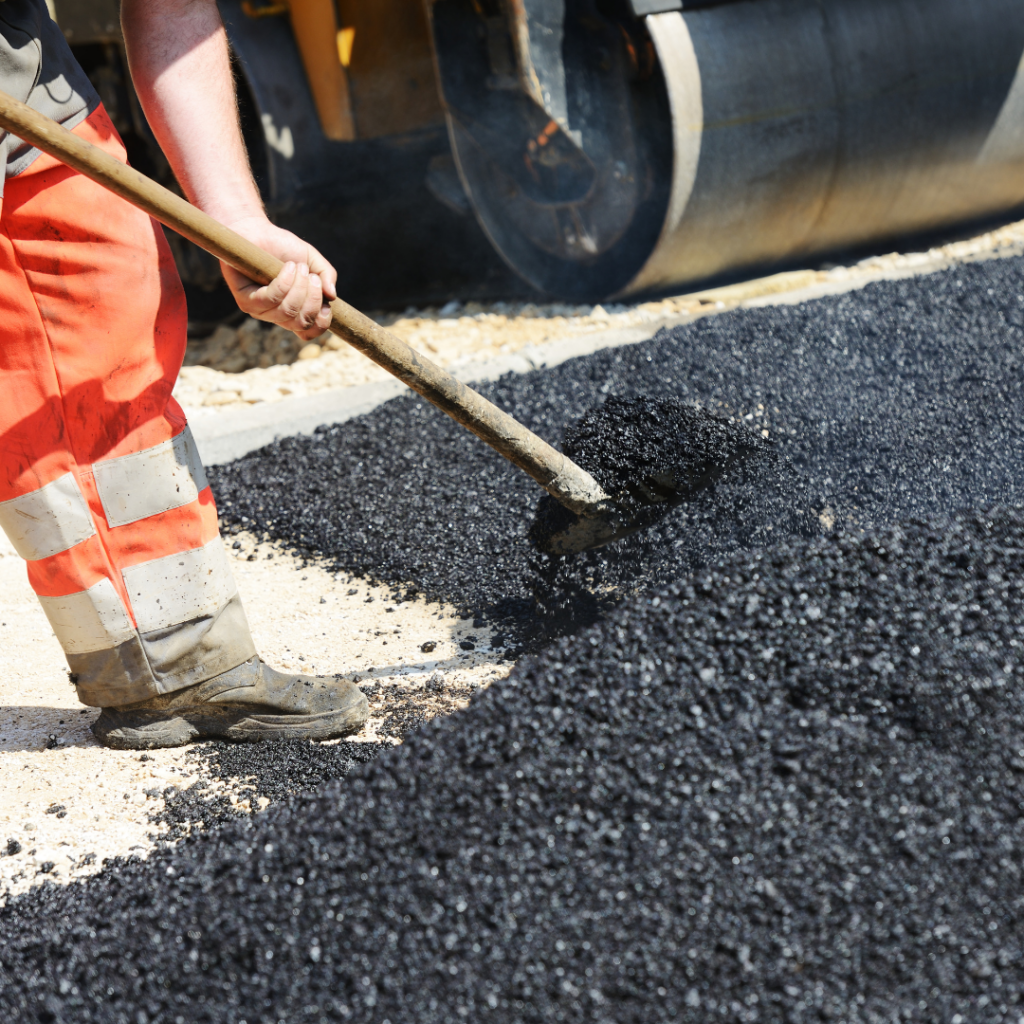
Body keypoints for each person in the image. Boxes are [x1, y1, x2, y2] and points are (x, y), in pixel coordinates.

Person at [0, 0, 368, 748]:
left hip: (20, 78)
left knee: (95, 279)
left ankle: (171, 658)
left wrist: (234, 218)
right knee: (69, 302)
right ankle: (170, 665)